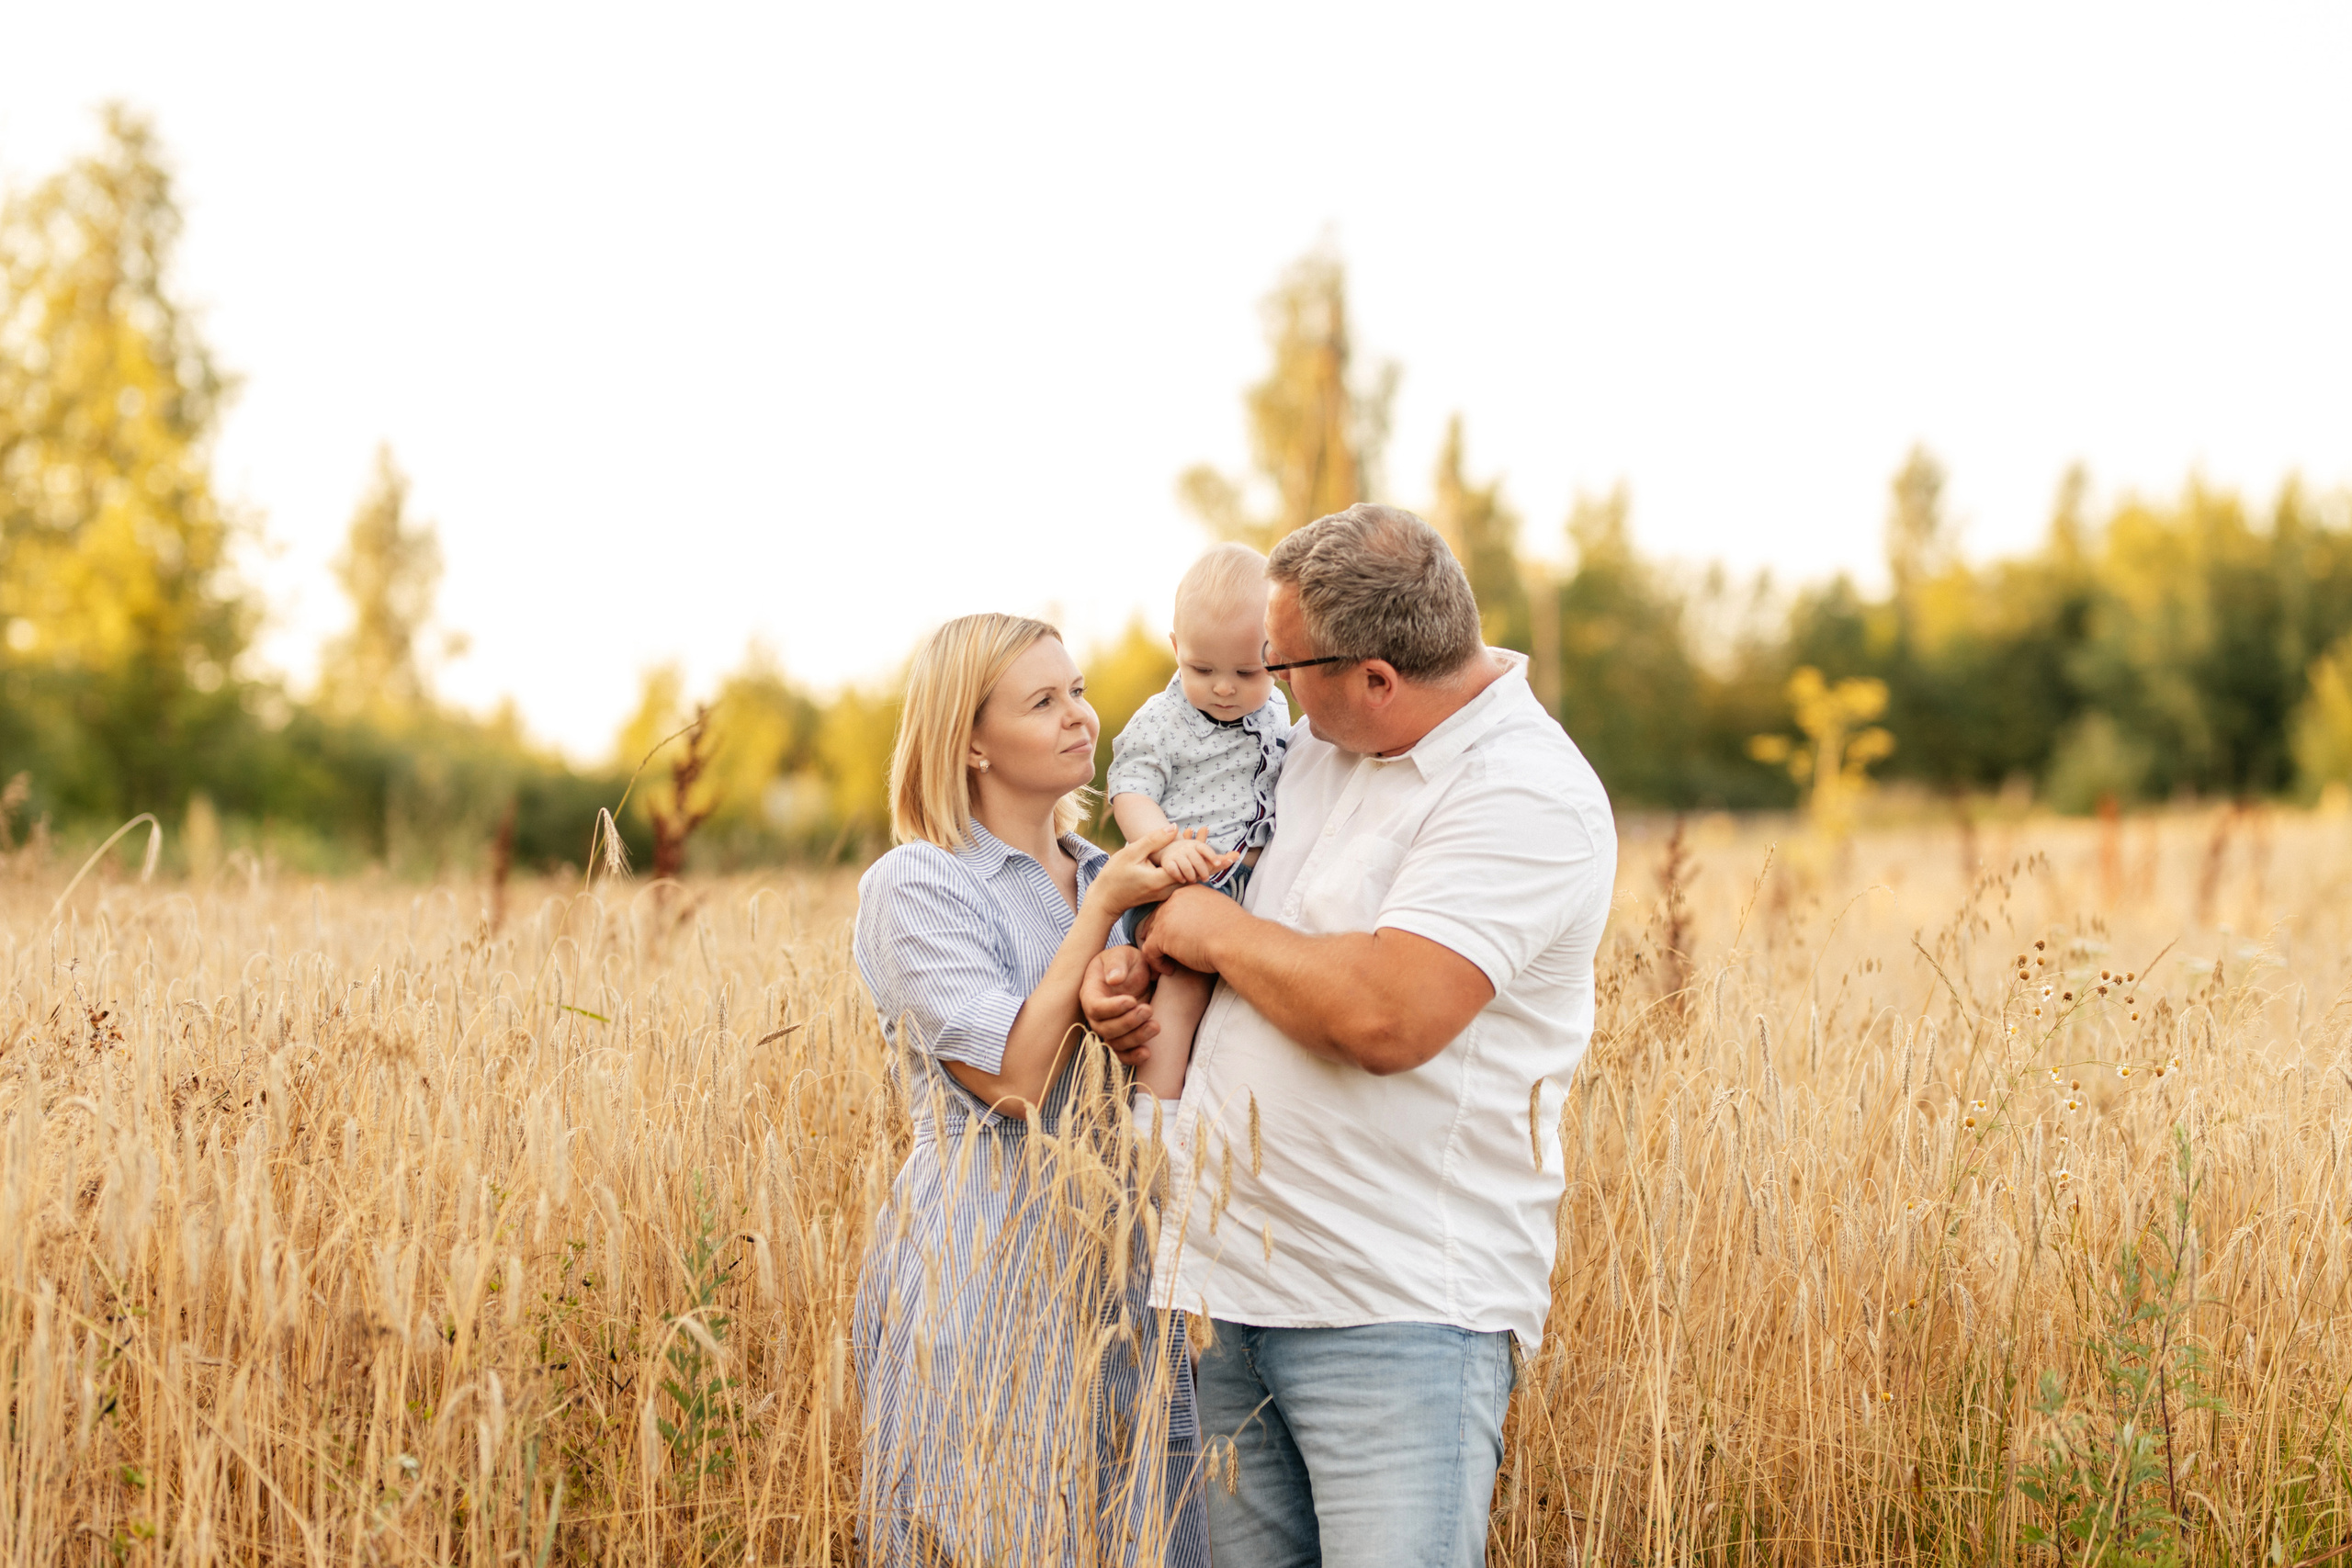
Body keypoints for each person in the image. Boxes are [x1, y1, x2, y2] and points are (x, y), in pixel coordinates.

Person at [1082, 505, 1618, 1568]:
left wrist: (1211, 930)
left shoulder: (1522, 792)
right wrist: (1136, 969)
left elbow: (1387, 1012)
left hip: (1392, 1313)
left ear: (1374, 677)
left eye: (1284, 666)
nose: (1270, 687)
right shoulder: (1314, 748)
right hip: (1220, 1288)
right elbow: (1249, 933)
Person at [851, 613, 1216, 1566]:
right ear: (970, 742)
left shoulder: (1115, 873)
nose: (1080, 717)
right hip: (988, 1273)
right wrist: (1103, 918)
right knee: (998, 1531)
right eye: (1043, 702)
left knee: (1144, 1533)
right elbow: (1013, 1083)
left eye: (1079, 692)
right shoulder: (920, 884)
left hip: (1126, 1273)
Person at [1106, 541, 1291, 1057]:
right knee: (1183, 994)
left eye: (1247, 672)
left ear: (1276, 656)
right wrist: (1166, 846)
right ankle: (1154, 1105)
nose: (1224, 689)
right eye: (1202, 670)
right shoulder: (1162, 720)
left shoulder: (1277, 706)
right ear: (1176, 648)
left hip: (1253, 879)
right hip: (1184, 886)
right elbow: (1130, 791)